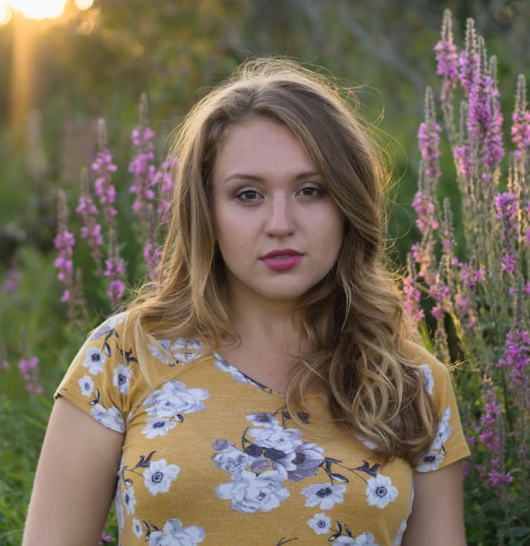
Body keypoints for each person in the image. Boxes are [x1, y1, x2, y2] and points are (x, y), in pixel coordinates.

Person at [23, 58, 469, 545]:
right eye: (249, 194)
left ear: (347, 203)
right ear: (208, 210)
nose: (280, 222)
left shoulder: (411, 382)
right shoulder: (123, 356)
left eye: (310, 190)